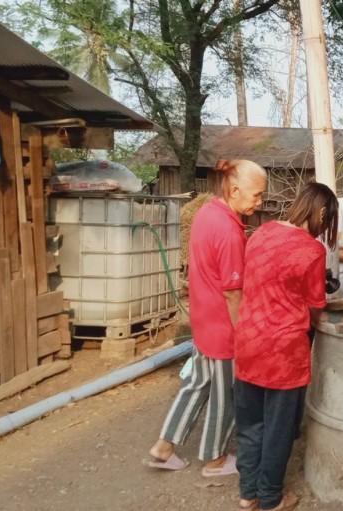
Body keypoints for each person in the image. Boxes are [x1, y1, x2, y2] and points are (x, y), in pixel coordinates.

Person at [145, 159, 267, 476]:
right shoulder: (228, 231)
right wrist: (244, 335)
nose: (260, 201)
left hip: (203, 321)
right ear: (235, 189)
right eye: (256, 195)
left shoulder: (208, 212)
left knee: (197, 384)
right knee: (226, 394)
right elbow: (233, 292)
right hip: (223, 328)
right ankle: (214, 458)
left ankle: (163, 447)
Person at [233, 183, 338, 511]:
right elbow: (315, 306)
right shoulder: (312, 251)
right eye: (328, 221)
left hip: (248, 341)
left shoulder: (261, 233)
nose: (325, 229)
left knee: (250, 424)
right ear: (321, 213)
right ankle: (271, 498)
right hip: (283, 352)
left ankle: (247, 493)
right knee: (278, 429)